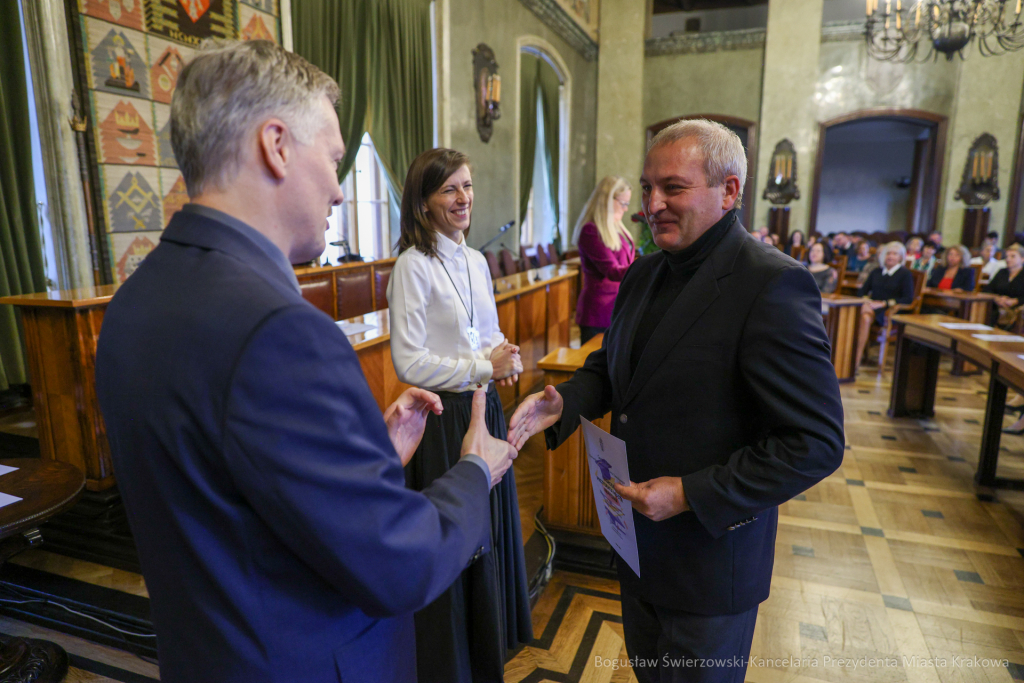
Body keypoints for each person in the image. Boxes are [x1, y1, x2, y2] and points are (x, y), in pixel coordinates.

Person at [94, 41, 519, 683]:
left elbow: (225, 496)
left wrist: (363, 454)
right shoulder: (282, 332)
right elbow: (399, 565)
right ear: (276, 145)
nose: (341, 192)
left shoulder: (133, 301)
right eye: (334, 158)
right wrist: (473, 470)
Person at [506, 119, 844, 683]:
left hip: (710, 564)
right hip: (638, 544)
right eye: (646, 188)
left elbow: (815, 444)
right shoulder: (642, 273)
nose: (652, 203)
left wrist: (690, 493)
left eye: (673, 188)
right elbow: (614, 371)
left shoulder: (771, 285)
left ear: (729, 191)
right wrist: (563, 403)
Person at [387, 148, 532, 683]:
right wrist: (480, 363)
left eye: (467, 187)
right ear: (424, 203)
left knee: (487, 531)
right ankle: (450, 661)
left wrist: (504, 354)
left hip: (482, 405)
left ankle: (484, 644)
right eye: (449, 189)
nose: (463, 198)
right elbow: (409, 359)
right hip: (442, 415)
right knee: (456, 536)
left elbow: (486, 331)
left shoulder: (475, 260)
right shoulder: (412, 266)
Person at [572, 176, 637, 344]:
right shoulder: (591, 231)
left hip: (617, 307)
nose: (625, 209)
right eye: (622, 203)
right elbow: (612, 271)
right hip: (598, 311)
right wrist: (644, 266)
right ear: (608, 200)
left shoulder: (618, 229)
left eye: (627, 204)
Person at [854, 241, 916, 370]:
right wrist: (867, 301)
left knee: (863, 316)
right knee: (863, 315)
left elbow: (908, 299)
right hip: (872, 308)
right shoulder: (877, 271)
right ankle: (853, 358)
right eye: (888, 253)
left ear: (900, 257)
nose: (891, 256)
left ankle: (855, 360)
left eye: (895, 254)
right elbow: (862, 291)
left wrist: (884, 303)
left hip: (891, 311)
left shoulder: (904, 274)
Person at [984, 243, 1024, 329]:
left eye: (1013, 256)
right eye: (1007, 256)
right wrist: (996, 298)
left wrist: (1015, 301)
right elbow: (987, 289)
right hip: (997, 307)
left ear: (1022, 259)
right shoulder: (1002, 272)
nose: (1008, 259)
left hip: (1016, 310)